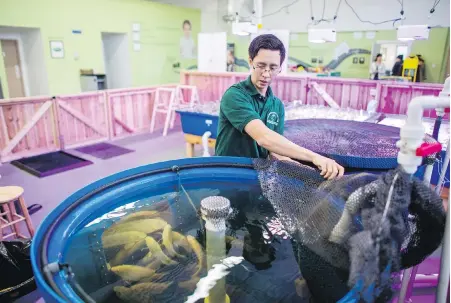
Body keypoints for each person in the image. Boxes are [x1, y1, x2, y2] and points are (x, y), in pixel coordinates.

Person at [215, 34, 344, 180]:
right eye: (261, 66)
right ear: (251, 62)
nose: (266, 74)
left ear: (280, 68)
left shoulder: (277, 106)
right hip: (228, 174)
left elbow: (275, 152)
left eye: (273, 67)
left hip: (257, 176)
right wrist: (315, 157)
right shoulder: (235, 95)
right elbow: (264, 138)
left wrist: (309, 171)